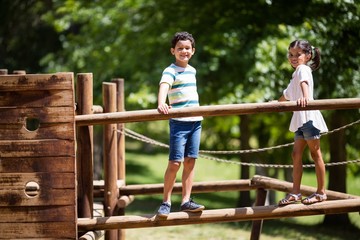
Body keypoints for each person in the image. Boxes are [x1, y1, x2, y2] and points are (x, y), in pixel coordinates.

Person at [156, 31, 205, 217]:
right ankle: (166, 201)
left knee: (190, 161)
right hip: (179, 123)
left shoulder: (192, 70)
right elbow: (164, 86)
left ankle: (186, 200)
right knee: (175, 163)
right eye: (180, 48)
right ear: (173, 51)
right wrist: (161, 103)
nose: (183, 51)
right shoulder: (170, 70)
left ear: (192, 51)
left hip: (196, 121)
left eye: (187, 48)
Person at [278, 39, 328, 206]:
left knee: (315, 154)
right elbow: (286, 96)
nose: (293, 57)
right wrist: (274, 104)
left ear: (307, 56)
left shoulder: (302, 69)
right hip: (300, 120)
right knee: (296, 154)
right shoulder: (295, 74)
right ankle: (295, 192)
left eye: (298, 55)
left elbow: (304, 83)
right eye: (291, 54)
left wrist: (306, 98)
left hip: (308, 118)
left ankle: (321, 192)